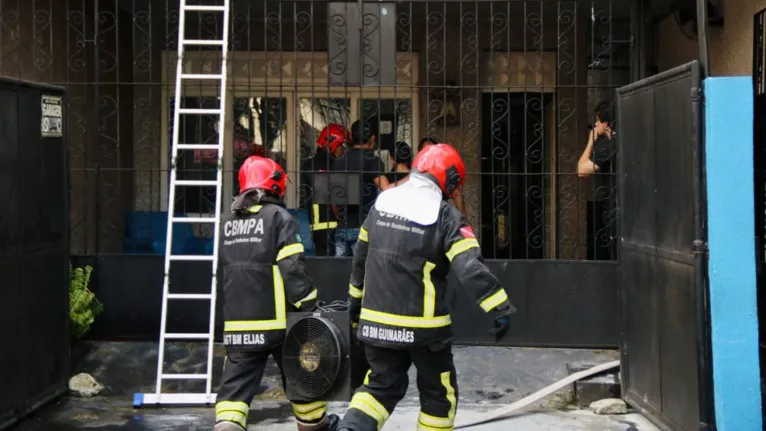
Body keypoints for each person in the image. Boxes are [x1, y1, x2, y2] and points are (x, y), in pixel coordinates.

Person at [337, 143, 516, 431]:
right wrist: (499, 307)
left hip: (376, 322)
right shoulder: (445, 215)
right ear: (452, 180)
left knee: (378, 388)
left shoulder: (382, 204)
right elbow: (469, 266)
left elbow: (360, 259)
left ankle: (351, 428)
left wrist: (354, 304)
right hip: (425, 328)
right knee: (438, 395)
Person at [215, 155, 340, 431]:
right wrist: (310, 305)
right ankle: (314, 426)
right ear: (275, 184)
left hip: (238, 322)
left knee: (235, 387)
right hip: (279, 322)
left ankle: (227, 423)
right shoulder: (280, 218)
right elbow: (292, 269)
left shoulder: (227, 221)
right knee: (303, 375)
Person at [331, 120, 390, 256]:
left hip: (342, 227)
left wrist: (340, 219)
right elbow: (386, 189)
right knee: (362, 274)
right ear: (373, 138)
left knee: (338, 273)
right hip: (363, 227)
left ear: (351, 137)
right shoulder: (371, 160)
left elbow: (334, 198)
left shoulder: (339, 161)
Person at [300, 124, 350, 256]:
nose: (343, 150)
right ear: (331, 143)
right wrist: (339, 216)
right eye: (342, 146)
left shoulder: (311, 163)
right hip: (326, 222)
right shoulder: (325, 164)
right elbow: (327, 193)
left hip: (319, 223)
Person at [577, 101, 618, 260]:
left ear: (605, 124)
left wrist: (591, 140)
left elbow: (581, 170)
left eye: (597, 121)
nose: (595, 124)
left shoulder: (609, 147)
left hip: (615, 210)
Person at [417, 137, 467, 215]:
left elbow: (456, 195)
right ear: (419, 153)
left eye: (433, 151)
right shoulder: (416, 173)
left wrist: (463, 223)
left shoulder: (445, 171)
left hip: (439, 215)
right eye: (426, 151)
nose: (430, 155)